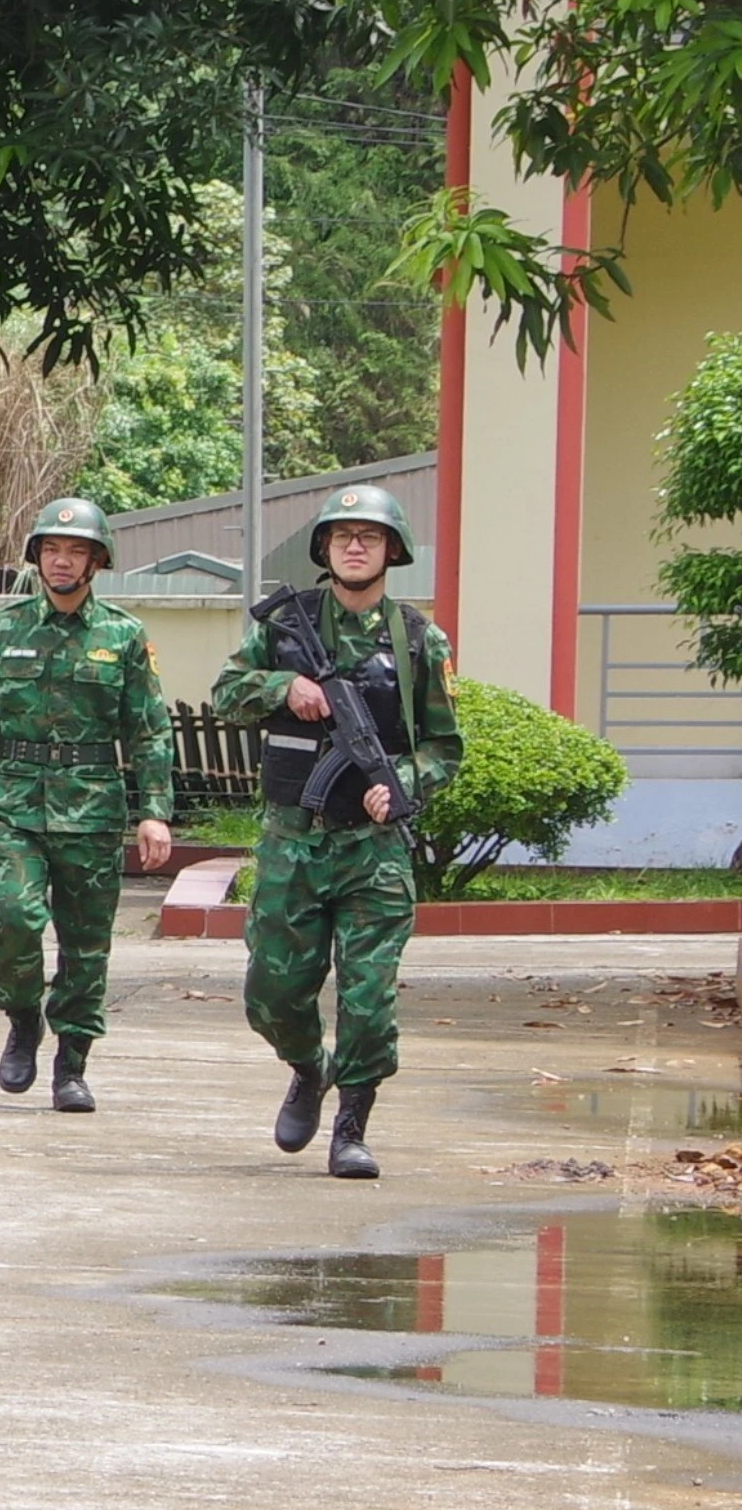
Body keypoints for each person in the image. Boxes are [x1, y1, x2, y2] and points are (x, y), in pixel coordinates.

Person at [208, 484, 460, 1179]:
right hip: (293, 842)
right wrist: (282, 688)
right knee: (272, 995)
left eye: (369, 536)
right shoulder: (286, 628)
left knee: (368, 999)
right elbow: (226, 692)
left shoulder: (418, 639)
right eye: (343, 535)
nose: (355, 546)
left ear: (392, 550)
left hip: (372, 852)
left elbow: (444, 746)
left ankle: (352, 1126)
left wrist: (401, 782)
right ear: (324, 547)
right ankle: (306, 1066)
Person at [0, 498, 177, 1113]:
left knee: (86, 944)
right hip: (14, 801)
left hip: (92, 805)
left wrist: (154, 810)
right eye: (51, 549)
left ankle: (72, 1063)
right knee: (15, 919)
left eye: (76, 551)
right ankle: (23, 1015)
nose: (62, 561)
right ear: (37, 558)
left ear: (96, 562)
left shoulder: (123, 635)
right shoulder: (2, 631)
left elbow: (150, 730)